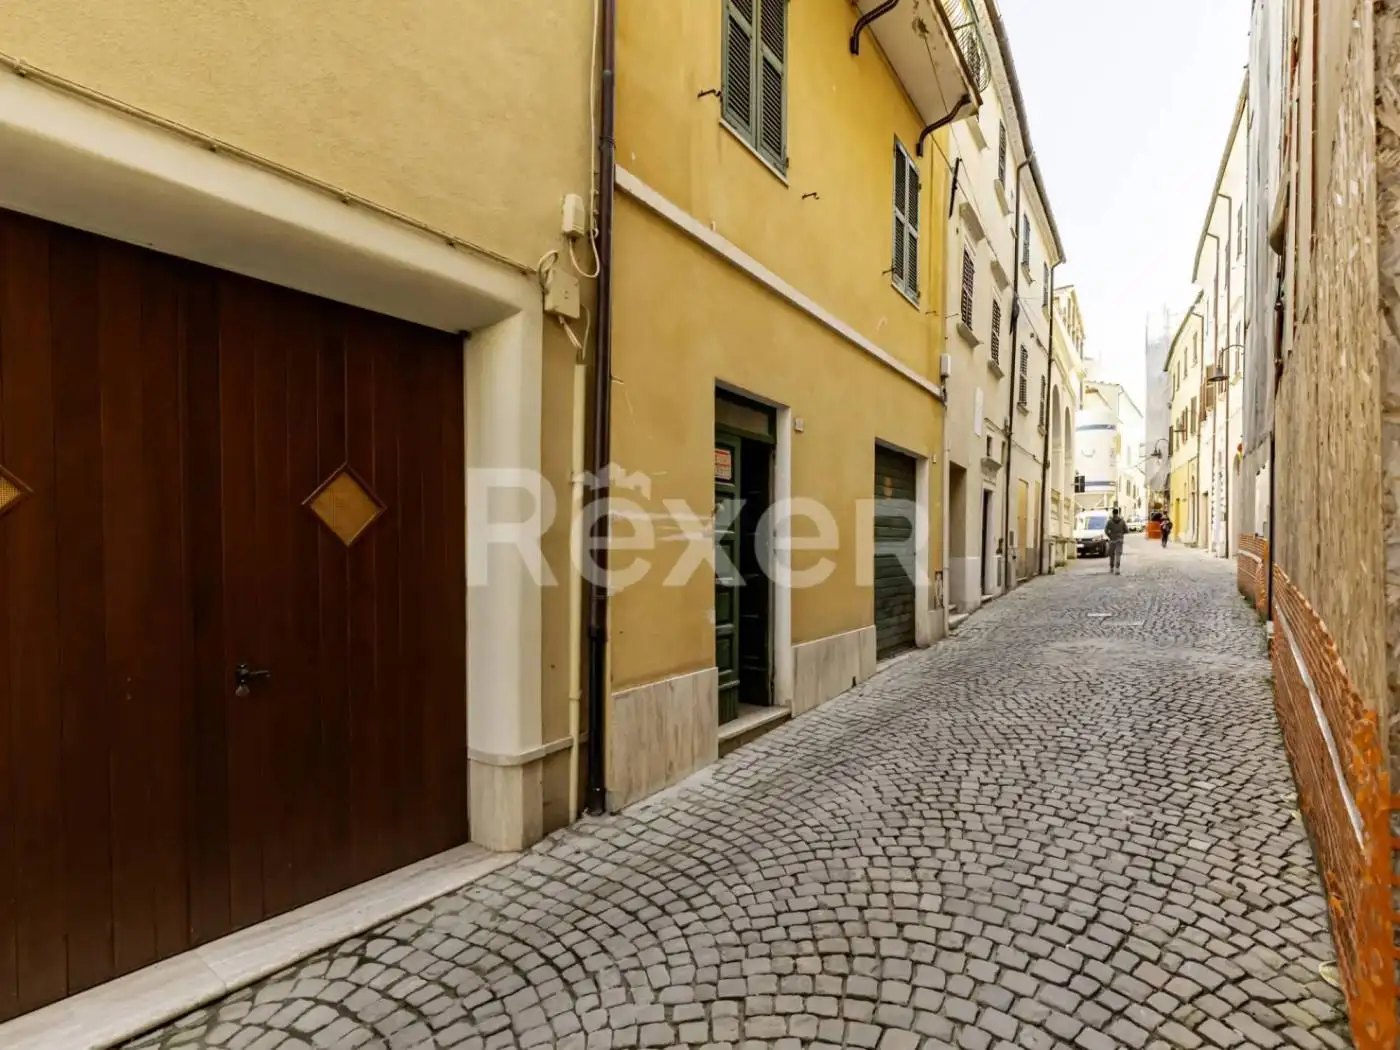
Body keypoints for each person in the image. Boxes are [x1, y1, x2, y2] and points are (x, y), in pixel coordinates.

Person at [1105, 506, 1128, 574]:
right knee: (1118, 554)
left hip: (1112, 540)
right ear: (1118, 513)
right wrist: (1121, 533)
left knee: (1111, 554)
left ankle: (1111, 568)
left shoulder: (1109, 521)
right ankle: (1117, 569)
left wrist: (1110, 535)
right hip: (1119, 540)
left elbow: (1106, 530)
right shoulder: (1122, 521)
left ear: (1113, 513)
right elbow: (1127, 530)